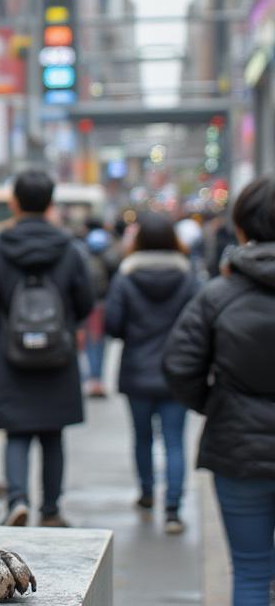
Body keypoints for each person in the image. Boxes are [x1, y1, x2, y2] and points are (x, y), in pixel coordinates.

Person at [164, 176, 275, 606]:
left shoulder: (220, 294)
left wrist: (217, 404)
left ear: (241, 225)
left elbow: (180, 366)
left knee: (252, 572)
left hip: (239, 449)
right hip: (240, 442)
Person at [0, 169, 94, 528]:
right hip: (58, 354)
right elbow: (85, 301)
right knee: (52, 432)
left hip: (11, 356)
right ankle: (51, 509)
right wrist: (66, 326)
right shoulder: (69, 248)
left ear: (14, 203)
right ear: (51, 203)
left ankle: (18, 500)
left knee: (17, 432)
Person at [104, 213, 196, 534]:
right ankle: (173, 510)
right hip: (177, 372)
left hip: (137, 371)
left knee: (142, 438)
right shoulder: (188, 277)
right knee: (174, 442)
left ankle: (146, 493)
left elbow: (112, 325)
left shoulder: (126, 277)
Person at [81, 226, 113, 398]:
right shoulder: (110, 260)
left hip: (92, 309)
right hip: (101, 307)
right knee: (98, 346)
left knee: (91, 345)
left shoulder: (84, 261)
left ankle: (94, 379)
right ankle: (96, 379)